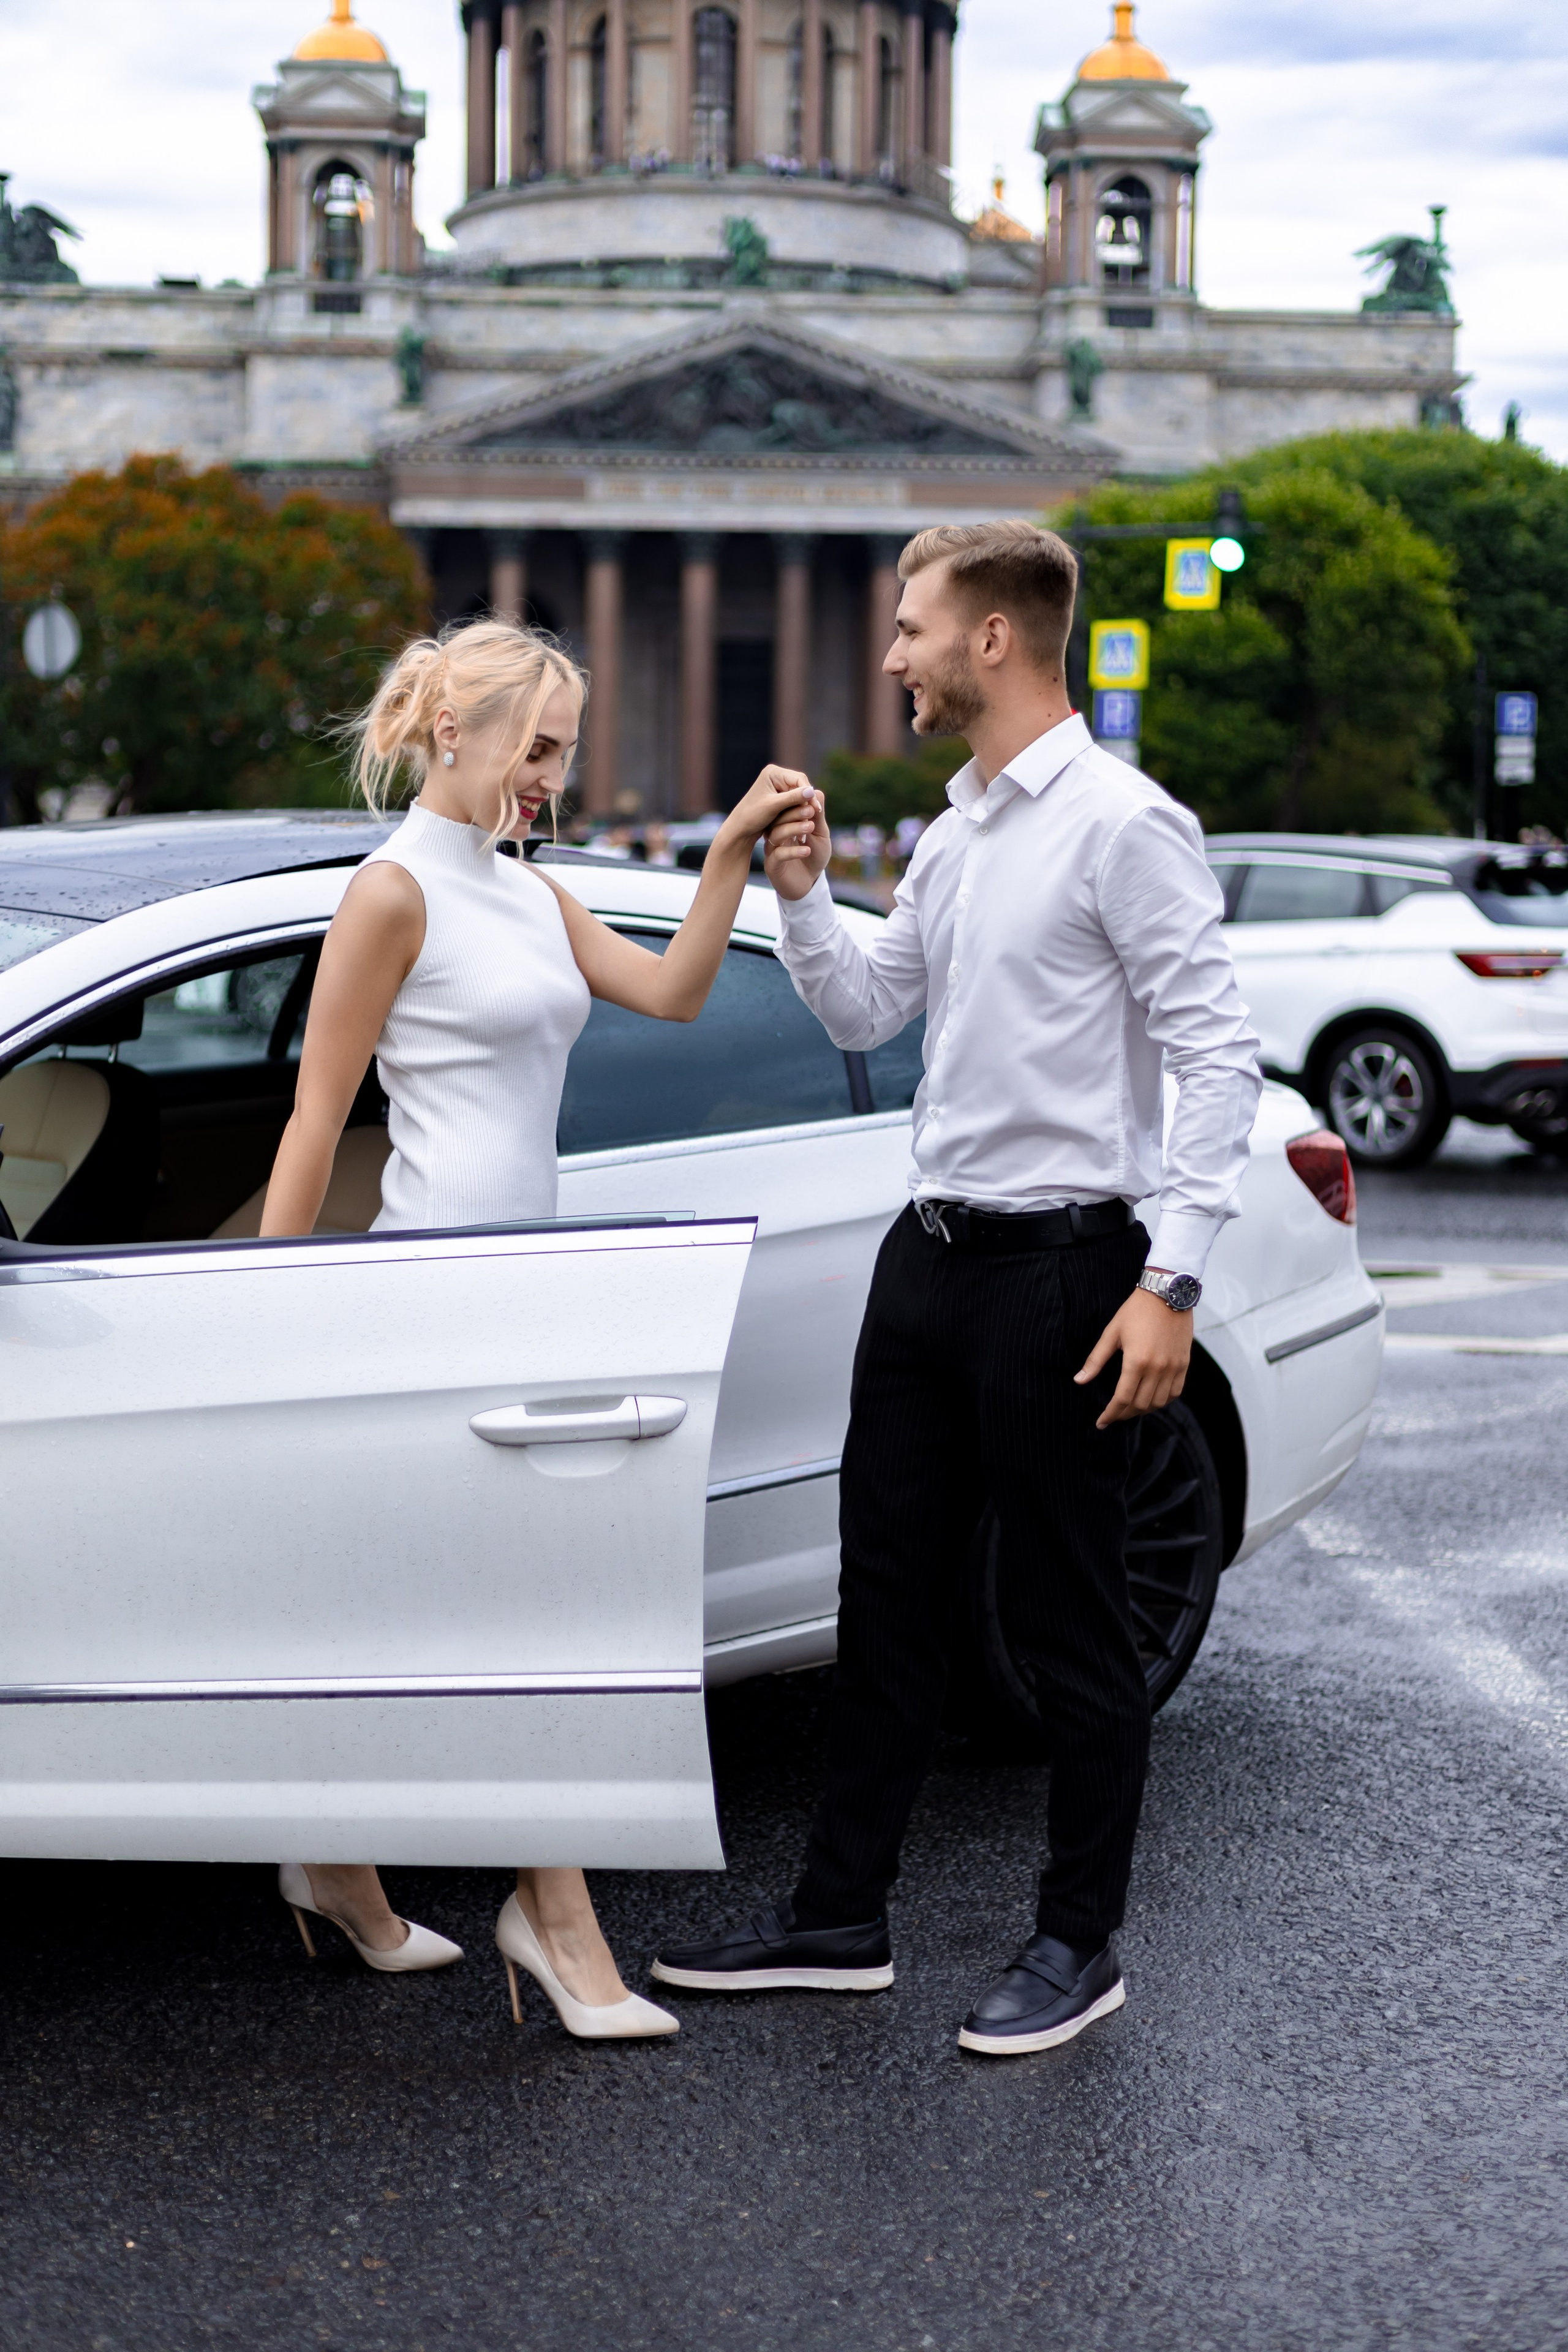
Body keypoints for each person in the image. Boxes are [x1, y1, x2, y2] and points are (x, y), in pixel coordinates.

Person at [650, 521, 1261, 2055]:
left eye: (912, 627)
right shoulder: (956, 830)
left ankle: (1077, 1944)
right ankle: (838, 1920)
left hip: (1065, 1272)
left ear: (992, 639)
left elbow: (1215, 1058)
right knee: (890, 1605)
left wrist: (1171, 1284)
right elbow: (866, 1002)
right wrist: (799, 893)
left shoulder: (1124, 824)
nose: (893, 656)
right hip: (924, 1264)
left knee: (1065, 1625)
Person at [262, 618, 814, 2041]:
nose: (550, 778)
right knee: (514, 1616)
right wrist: (256, 1311)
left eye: (564, 753)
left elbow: (678, 993)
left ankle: (332, 1859)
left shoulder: (527, 891)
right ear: (456, 731)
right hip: (432, 1300)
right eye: (539, 746)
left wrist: (728, 855)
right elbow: (318, 1117)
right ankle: (557, 1924)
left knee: (414, 1607)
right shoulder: (390, 896)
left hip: (532, 1295)